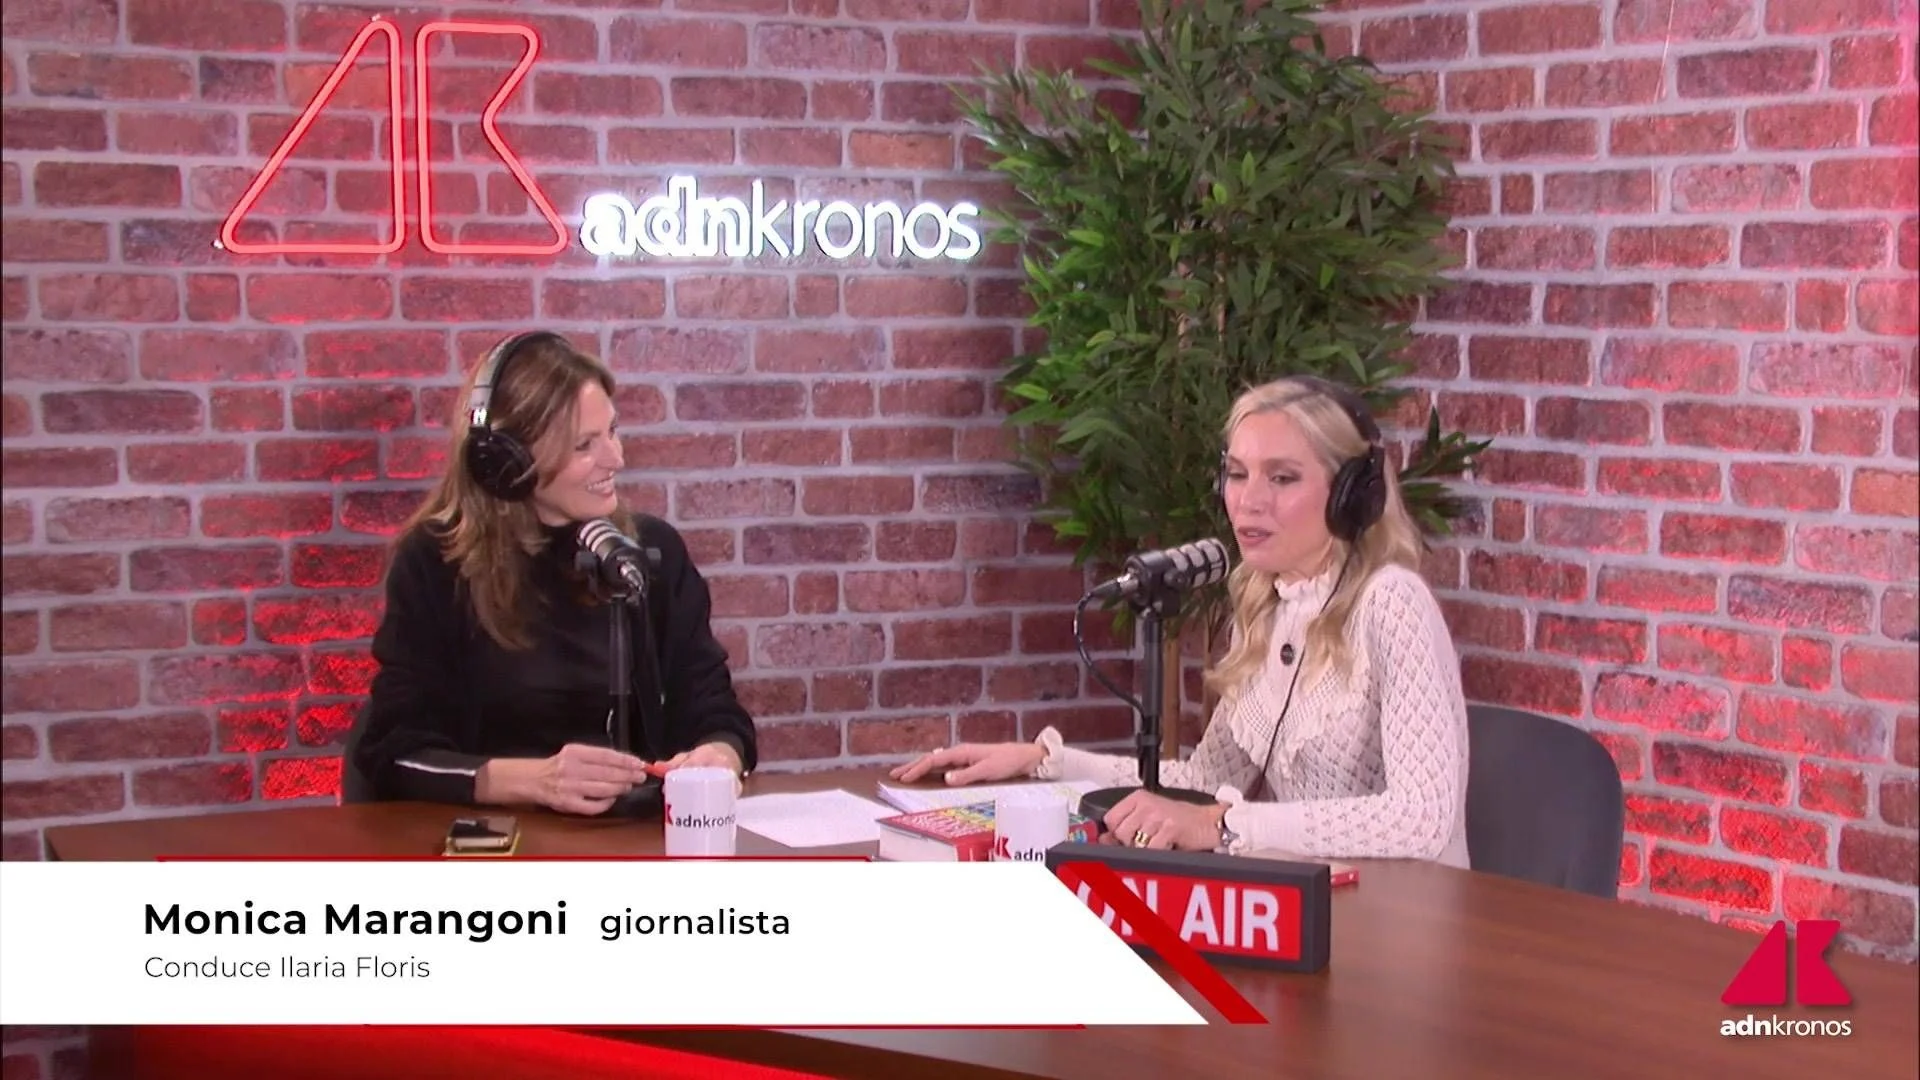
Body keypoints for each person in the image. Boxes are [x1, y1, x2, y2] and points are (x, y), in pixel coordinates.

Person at [890, 375, 1471, 867]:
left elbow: (1421, 819)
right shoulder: (1265, 605)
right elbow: (1202, 781)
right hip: (1317, 909)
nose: (1248, 501)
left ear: (1353, 494)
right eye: (1237, 473)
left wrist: (1225, 826)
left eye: (1282, 477)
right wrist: (1046, 763)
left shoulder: (1392, 602)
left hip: (1410, 923)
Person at [350, 331, 757, 814]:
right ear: (507, 461)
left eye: (612, 431)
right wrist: (537, 781)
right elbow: (393, 752)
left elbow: (714, 708)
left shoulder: (649, 553)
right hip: (498, 841)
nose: (616, 458)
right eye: (584, 445)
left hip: (632, 844)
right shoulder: (434, 562)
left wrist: (720, 755)